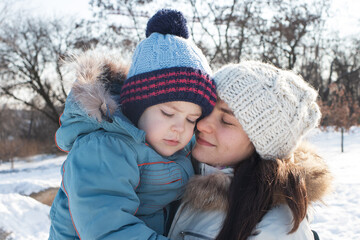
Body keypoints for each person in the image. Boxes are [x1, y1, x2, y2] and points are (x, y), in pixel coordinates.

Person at [49, 9, 216, 240]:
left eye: (191, 119)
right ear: (136, 108)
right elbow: (109, 230)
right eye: (168, 113)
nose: (180, 128)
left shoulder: (177, 144)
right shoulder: (103, 148)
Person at [168, 61, 333, 240]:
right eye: (206, 110)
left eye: (226, 121)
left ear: (261, 144)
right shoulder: (167, 166)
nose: (201, 124)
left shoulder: (275, 228)